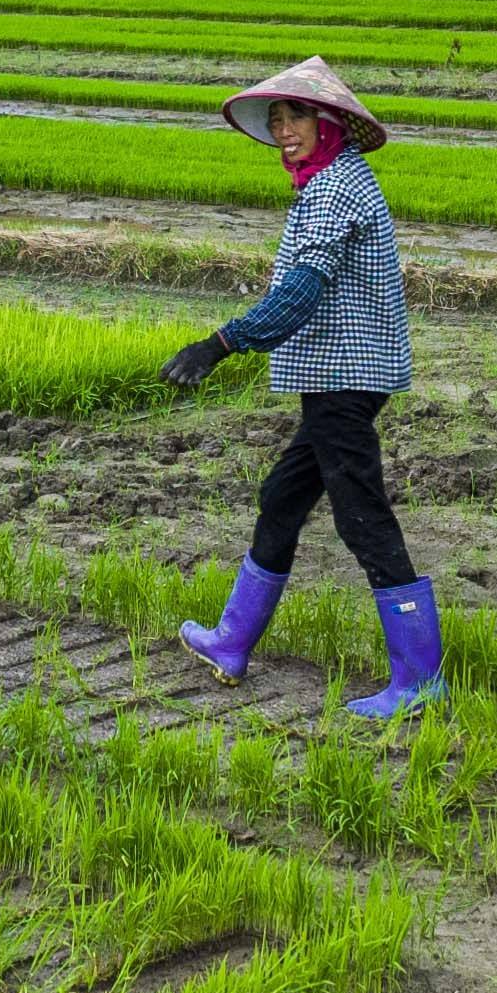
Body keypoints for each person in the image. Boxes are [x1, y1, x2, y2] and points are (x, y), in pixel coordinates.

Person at [161, 57, 443, 721]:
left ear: (329, 123)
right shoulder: (323, 183)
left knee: (361, 515)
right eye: (278, 120)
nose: (285, 131)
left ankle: (420, 677)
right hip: (333, 377)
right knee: (282, 497)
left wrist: (219, 344)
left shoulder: (337, 187)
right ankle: (232, 640)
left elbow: (298, 295)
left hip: (346, 377)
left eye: (296, 118)